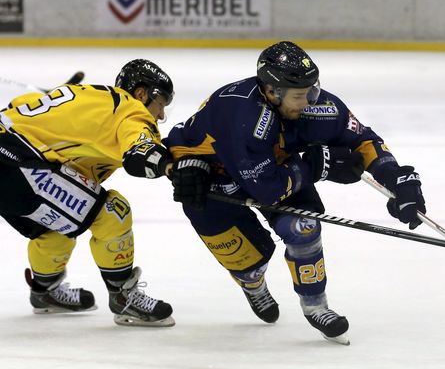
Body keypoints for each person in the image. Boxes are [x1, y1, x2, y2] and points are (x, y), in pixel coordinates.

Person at [165, 41, 426, 344]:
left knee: (303, 227)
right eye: (300, 95)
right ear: (272, 92)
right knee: (246, 260)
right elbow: (266, 189)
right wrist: (318, 167)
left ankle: (315, 305)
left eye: (311, 90)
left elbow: (363, 139)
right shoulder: (245, 118)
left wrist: (395, 177)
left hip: (271, 167)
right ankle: (252, 283)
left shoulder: (311, 104)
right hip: (211, 176)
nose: (308, 102)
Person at [0, 59, 177, 327]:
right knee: (112, 212)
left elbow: (19, 109)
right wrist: (169, 166)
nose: (161, 115)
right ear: (141, 94)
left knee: (55, 226)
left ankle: (45, 292)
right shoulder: (130, 110)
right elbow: (140, 150)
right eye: (160, 103)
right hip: (15, 163)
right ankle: (123, 297)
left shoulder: (85, 96)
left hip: (12, 156)